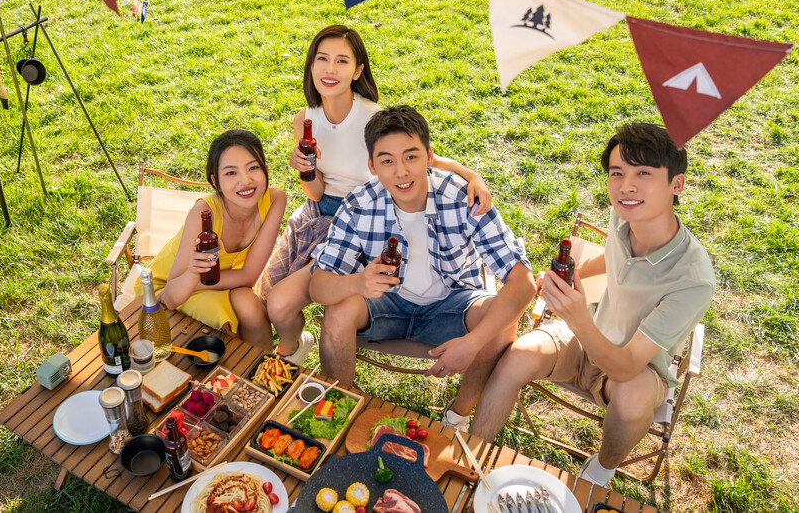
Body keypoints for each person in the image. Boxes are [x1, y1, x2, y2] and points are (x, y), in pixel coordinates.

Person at [470, 122, 716, 487]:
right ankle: (471, 454)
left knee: (633, 400)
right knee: (517, 354)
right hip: (584, 336)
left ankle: (600, 471)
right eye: (617, 174)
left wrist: (577, 315)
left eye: (643, 174)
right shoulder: (626, 214)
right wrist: (575, 275)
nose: (626, 187)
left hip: (635, 370)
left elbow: (626, 365)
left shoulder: (693, 279)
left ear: (676, 184)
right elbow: (612, 256)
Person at [259, 25, 494, 366]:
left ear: (357, 71)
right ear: (311, 66)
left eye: (342, 61)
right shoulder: (305, 120)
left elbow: (428, 160)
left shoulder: (372, 118)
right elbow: (315, 191)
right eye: (322, 59)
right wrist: (303, 169)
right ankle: (297, 346)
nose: (330, 69)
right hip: (318, 215)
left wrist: (473, 177)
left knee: (292, 300)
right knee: (275, 304)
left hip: (364, 223)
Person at [309, 106, 536, 430]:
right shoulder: (359, 204)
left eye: (411, 157)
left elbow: (523, 283)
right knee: (338, 311)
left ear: (430, 156)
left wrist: (472, 343)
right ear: (372, 166)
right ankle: (343, 409)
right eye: (387, 161)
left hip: (452, 304)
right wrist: (357, 283)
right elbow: (319, 286)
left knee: (501, 325)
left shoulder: (464, 197)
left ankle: (458, 414)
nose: (401, 171)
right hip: (386, 304)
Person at [150, 130, 286, 350]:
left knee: (250, 304)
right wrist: (194, 276)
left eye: (253, 168)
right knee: (221, 317)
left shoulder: (275, 200)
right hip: (172, 285)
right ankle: (232, 377)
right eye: (231, 173)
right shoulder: (204, 214)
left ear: (266, 170)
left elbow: (249, 276)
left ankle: (264, 374)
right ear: (216, 182)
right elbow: (170, 297)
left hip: (210, 283)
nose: (246, 180)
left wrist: (201, 282)